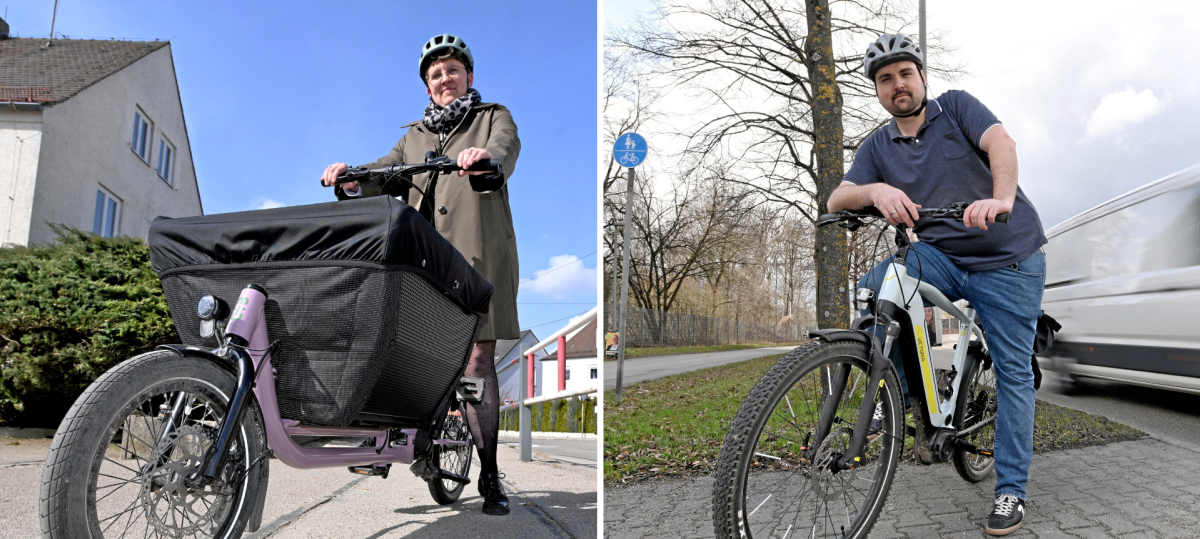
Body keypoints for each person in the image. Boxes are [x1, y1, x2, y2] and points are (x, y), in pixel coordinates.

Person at [828, 33, 1047, 536]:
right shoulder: (877, 146)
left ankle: (1011, 490)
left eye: (906, 73)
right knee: (879, 286)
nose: (898, 85)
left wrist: (1001, 199)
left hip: (1008, 258)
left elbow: (1001, 143)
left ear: (922, 77)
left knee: (1013, 373)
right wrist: (876, 190)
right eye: (886, 79)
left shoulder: (957, 108)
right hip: (942, 256)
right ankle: (899, 398)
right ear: (878, 91)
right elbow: (838, 198)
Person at [319, 33, 520, 516]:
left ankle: (490, 472)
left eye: (452, 70)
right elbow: (383, 170)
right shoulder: (413, 136)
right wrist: (350, 176)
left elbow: (505, 148)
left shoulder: (492, 116)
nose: (444, 79)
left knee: (476, 363)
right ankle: (390, 441)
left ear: (468, 76)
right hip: (426, 265)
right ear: (427, 87)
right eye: (435, 75)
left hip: (478, 257)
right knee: (403, 351)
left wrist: (485, 159)